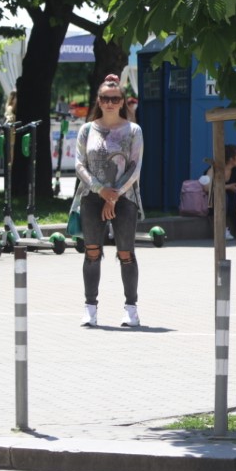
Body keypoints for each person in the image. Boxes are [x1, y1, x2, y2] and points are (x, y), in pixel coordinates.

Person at [72, 75, 144, 328]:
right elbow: (79, 164)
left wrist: (114, 194)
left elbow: (135, 168)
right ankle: (90, 308)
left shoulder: (133, 131)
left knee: (126, 252)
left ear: (122, 101)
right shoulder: (87, 129)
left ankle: (131, 309)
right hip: (92, 197)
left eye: (115, 99)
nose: (110, 103)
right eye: (105, 98)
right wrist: (101, 190)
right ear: (99, 101)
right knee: (92, 252)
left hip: (125, 198)